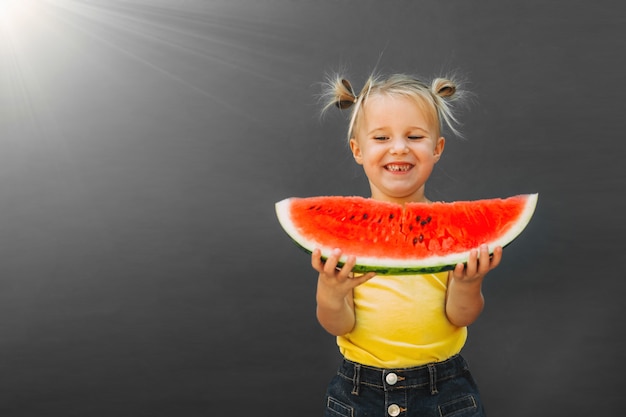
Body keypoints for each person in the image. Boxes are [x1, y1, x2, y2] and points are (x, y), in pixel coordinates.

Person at [312, 72, 502, 417]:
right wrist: (330, 291)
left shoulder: (452, 236)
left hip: (443, 391)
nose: (399, 147)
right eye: (381, 137)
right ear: (358, 150)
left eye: (414, 136)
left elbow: (460, 316)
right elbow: (338, 324)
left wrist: (469, 283)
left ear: (437, 148)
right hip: (359, 393)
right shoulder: (345, 234)